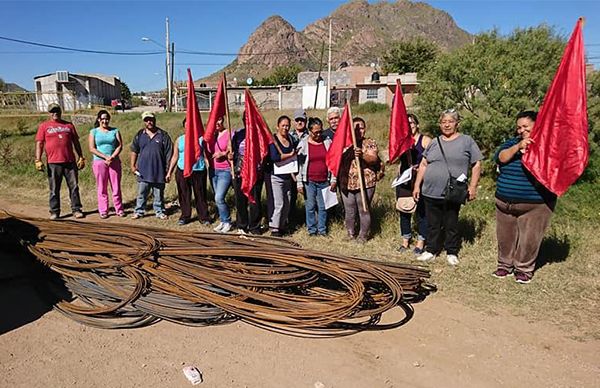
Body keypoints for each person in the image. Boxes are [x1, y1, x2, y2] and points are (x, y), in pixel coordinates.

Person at [412, 109, 483, 265]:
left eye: (450, 121)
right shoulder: (434, 142)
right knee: (432, 223)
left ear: (457, 123)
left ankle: (451, 251)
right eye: (443, 122)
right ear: (439, 124)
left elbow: (476, 164)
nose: (447, 125)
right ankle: (431, 250)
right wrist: (417, 185)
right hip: (430, 190)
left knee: (451, 223)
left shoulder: (466, 141)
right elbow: (424, 164)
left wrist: (473, 186)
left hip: (453, 191)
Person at [493, 111, 556, 284]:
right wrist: (518, 147)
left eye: (525, 126)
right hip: (505, 201)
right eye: (519, 127)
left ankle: (524, 269)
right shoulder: (512, 143)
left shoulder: (549, 144)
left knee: (529, 238)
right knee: (505, 236)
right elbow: (500, 158)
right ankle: (504, 265)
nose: (521, 130)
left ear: (537, 125)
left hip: (535, 203)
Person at [335, 117, 384, 243]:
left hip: (365, 183)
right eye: (356, 128)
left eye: (361, 128)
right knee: (349, 210)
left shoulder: (369, 142)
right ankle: (350, 233)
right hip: (347, 182)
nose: (358, 130)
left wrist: (362, 155)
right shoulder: (344, 143)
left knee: (364, 209)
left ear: (365, 129)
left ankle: (363, 235)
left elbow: (373, 159)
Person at [35, 103, 86, 220]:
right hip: (53, 162)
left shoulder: (69, 125)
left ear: (60, 111)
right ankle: (54, 211)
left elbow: (76, 142)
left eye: (57, 111)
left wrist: (81, 156)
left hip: (70, 161)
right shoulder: (44, 126)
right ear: (49, 113)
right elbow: (39, 144)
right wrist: (37, 159)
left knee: (74, 187)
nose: (55, 113)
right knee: (54, 189)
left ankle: (76, 209)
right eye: (52, 111)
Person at [396, 113, 431, 254]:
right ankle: (405, 240)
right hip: (405, 180)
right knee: (404, 211)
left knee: (422, 212)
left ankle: (421, 242)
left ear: (417, 125)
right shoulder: (402, 140)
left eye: (412, 123)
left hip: (421, 179)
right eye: (407, 123)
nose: (410, 126)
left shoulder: (426, 140)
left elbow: (432, 158)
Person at [166, 118, 211, 226]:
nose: (188, 127)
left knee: (200, 195)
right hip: (182, 170)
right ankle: (185, 216)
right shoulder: (179, 140)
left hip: (198, 170)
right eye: (186, 125)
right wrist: (169, 172)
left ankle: (204, 217)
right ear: (184, 127)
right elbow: (175, 157)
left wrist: (210, 169)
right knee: (184, 195)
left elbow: (206, 157)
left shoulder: (201, 139)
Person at [130, 111, 173, 220]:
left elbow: (169, 154)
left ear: (155, 120)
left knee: (158, 194)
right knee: (141, 193)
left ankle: (159, 211)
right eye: (146, 120)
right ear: (144, 121)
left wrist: (168, 171)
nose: (149, 122)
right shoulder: (140, 134)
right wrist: (133, 166)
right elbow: (134, 150)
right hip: (143, 171)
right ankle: (139, 211)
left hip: (159, 170)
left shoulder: (163, 135)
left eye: (151, 119)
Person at [296, 117, 333, 236]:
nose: (318, 134)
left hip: (324, 180)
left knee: (323, 207)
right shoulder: (303, 144)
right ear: (310, 131)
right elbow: (299, 165)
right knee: (310, 206)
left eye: (320, 131)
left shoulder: (327, 142)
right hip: (309, 180)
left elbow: (333, 162)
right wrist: (299, 182)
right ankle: (312, 230)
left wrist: (333, 179)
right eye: (315, 132)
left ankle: (322, 229)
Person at [88, 110, 125, 218]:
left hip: (114, 162)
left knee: (116, 187)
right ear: (99, 119)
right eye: (103, 118)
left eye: (107, 118)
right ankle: (104, 210)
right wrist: (105, 157)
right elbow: (92, 148)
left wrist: (112, 157)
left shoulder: (115, 131)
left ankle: (119, 209)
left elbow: (120, 146)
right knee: (102, 187)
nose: (105, 121)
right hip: (99, 162)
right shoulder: (93, 132)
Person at [232, 112, 264, 235]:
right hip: (240, 171)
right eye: (246, 119)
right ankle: (242, 224)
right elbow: (233, 151)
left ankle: (254, 226)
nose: (248, 121)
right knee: (240, 200)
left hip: (254, 172)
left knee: (254, 200)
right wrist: (230, 155)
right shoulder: (238, 134)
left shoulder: (259, 135)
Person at [265, 115, 297, 237]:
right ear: (278, 126)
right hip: (276, 177)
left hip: (288, 176)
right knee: (279, 203)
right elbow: (275, 158)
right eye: (283, 125)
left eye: (287, 125)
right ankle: (274, 228)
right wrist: (290, 155)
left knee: (287, 202)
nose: (285, 128)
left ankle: (282, 225)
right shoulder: (273, 140)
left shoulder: (291, 139)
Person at [206, 116, 233, 233]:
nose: (217, 122)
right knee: (217, 198)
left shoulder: (230, 133)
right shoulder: (211, 135)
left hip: (225, 170)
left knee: (219, 197)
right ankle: (222, 220)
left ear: (223, 120)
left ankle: (227, 221)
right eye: (215, 120)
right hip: (213, 170)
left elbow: (231, 150)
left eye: (219, 120)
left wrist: (223, 153)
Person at [289, 108, 308, 227]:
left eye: (302, 120)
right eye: (297, 120)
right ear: (294, 121)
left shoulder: (310, 134)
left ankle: (309, 222)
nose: (300, 123)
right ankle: (292, 222)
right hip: (291, 171)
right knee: (291, 198)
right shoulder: (289, 135)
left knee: (309, 198)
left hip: (306, 170)